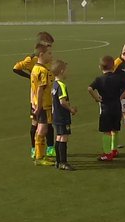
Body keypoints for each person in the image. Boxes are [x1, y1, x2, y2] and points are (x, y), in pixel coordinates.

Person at [13, 31, 55, 159]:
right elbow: (16, 68)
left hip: (48, 96)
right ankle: (34, 149)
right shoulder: (31, 60)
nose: (51, 47)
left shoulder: (48, 58)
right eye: (49, 44)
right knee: (36, 123)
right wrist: (29, 77)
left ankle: (49, 148)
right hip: (37, 98)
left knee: (48, 123)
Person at [88, 54, 125, 162]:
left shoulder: (99, 79)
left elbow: (89, 88)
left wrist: (96, 98)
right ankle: (114, 150)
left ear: (100, 67)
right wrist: (120, 97)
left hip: (106, 109)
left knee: (106, 131)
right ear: (113, 66)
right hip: (117, 107)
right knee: (115, 129)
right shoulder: (118, 78)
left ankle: (107, 153)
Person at [30, 42, 55, 166]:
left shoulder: (35, 68)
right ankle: (39, 157)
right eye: (49, 53)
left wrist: (33, 103)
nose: (51, 56)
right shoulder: (43, 71)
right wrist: (39, 106)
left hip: (38, 104)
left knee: (41, 129)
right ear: (41, 54)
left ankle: (39, 154)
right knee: (42, 129)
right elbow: (40, 90)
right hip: (44, 105)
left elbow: (33, 89)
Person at [50, 60, 77, 171]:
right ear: (61, 71)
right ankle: (63, 162)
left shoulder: (54, 85)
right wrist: (71, 109)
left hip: (56, 115)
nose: (67, 72)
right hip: (62, 116)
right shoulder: (61, 85)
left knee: (58, 137)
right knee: (64, 138)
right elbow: (62, 101)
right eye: (66, 70)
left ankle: (58, 161)